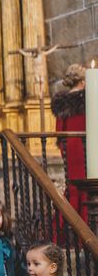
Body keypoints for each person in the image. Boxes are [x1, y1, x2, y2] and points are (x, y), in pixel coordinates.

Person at [51, 63, 87, 223]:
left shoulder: (61, 102)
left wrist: (63, 148)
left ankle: (67, 225)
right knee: (88, 184)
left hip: (70, 146)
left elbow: (60, 131)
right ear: (83, 81)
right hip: (86, 145)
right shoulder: (89, 98)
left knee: (73, 186)